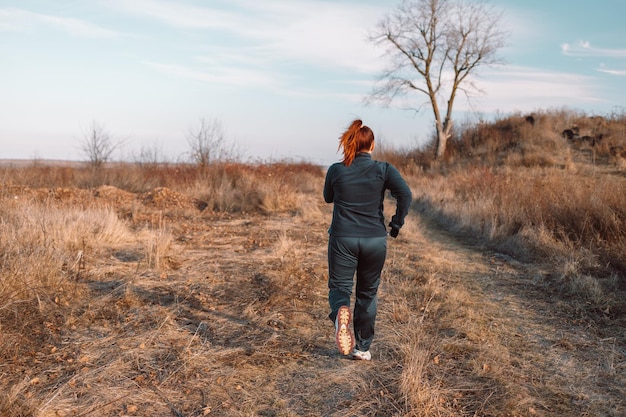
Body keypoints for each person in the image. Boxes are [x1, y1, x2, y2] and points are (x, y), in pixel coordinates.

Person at [324, 119, 412, 361]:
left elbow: (327, 197)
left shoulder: (336, 169)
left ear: (350, 144)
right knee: (367, 294)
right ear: (372, 145)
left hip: (343, 237)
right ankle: (362, 348)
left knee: (340, 288)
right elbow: (405, 193)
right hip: (374, 239)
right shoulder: (384, 169)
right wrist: (396, 223)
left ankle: (342, 311)